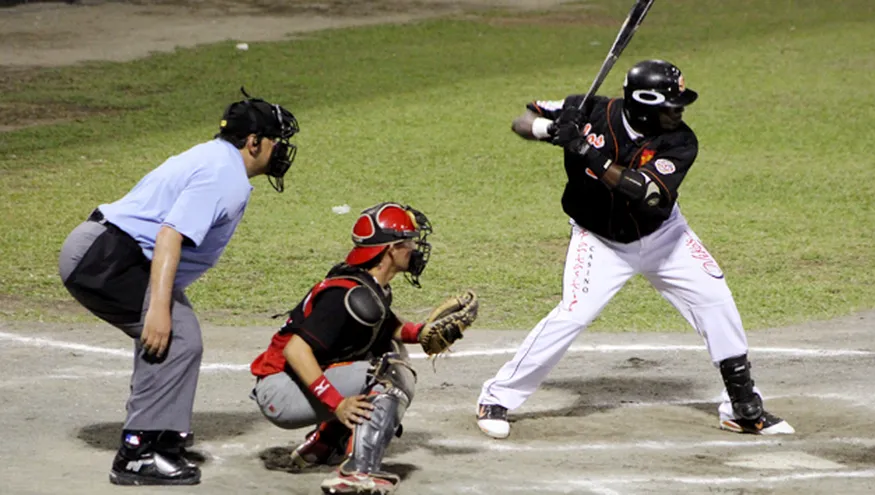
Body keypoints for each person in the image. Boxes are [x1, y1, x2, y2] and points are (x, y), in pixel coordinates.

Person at [475, 60, 795, 440]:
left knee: (716, 301)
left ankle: (743, 407)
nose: (679, 112)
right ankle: (496, 398)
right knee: (574, 316)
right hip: (599, 240)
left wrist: (585, 150)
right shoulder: (592, 109)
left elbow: (644, 191)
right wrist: (550, 129)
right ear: (644, 105)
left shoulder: (680, 142)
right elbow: (523, 119)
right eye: (671, 105)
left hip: (665, 237)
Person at [58, 88, 299, 485]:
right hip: (107, 258)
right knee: (176, 338)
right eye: (277, 141)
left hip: (113, 252)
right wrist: (157, 309)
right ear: (254, 142)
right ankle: (139, 453)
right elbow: (170, 235)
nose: (281, 151)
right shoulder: (223, 174)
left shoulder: (217, 159)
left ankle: (162, 434)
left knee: (174, 334)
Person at [249, 202, 478, 495]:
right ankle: (356, 473)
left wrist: (420, 333)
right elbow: (295, 351)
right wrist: (337, 403)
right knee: (388, 372)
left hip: (291, 384)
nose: (415, 249)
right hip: (280, 392)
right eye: (408, 241)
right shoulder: (348, 296)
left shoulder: (367, 285)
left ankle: (323, 446)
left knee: (386, 348)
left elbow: (385, 326)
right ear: (390, 250)